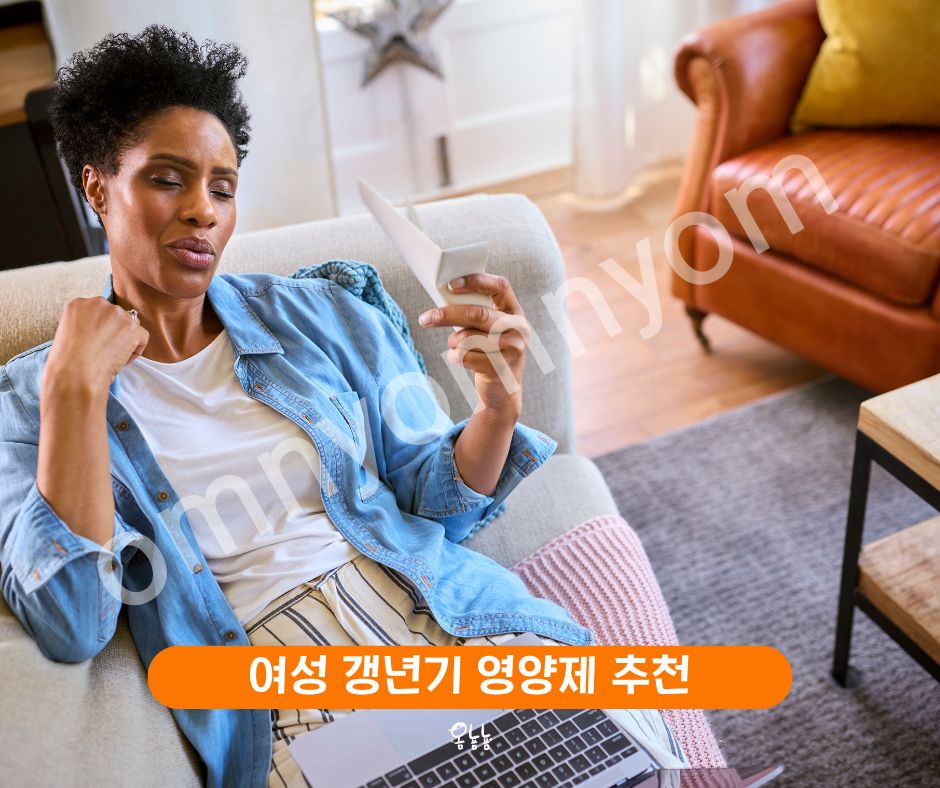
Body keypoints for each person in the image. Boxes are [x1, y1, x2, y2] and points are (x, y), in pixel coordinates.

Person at [0, 24, 688, 788]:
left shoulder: (321, 314)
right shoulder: (29, 407)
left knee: (629, 759)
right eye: (168, 179)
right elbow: (74, 621)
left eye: (222, 188)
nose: (203, 211)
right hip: (285, 695)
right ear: (97, 187)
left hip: (448, 622)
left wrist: (497, 408)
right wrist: (74, 389)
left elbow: (430, 502)